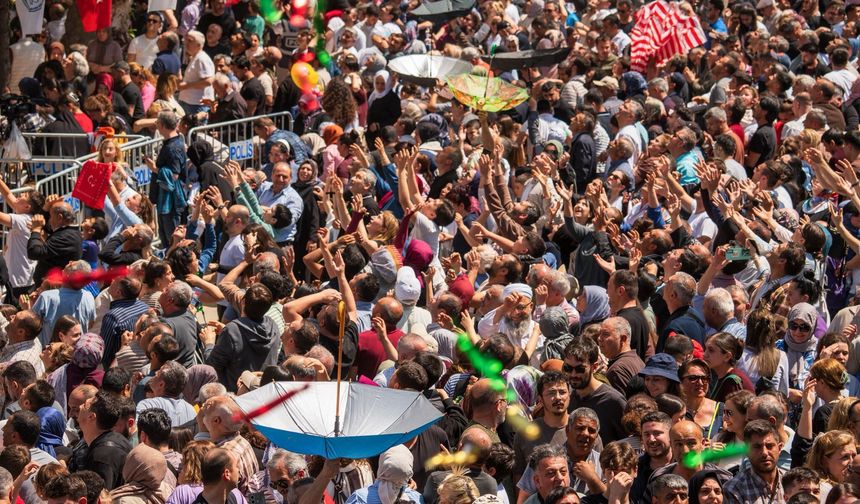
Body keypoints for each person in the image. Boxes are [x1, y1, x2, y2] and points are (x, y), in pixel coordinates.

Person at [723, 420, 785, 504]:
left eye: (769, 446)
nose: (764, 453)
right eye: (757, 447)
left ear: (780, 448)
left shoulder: (792, 483)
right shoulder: (733, 490)